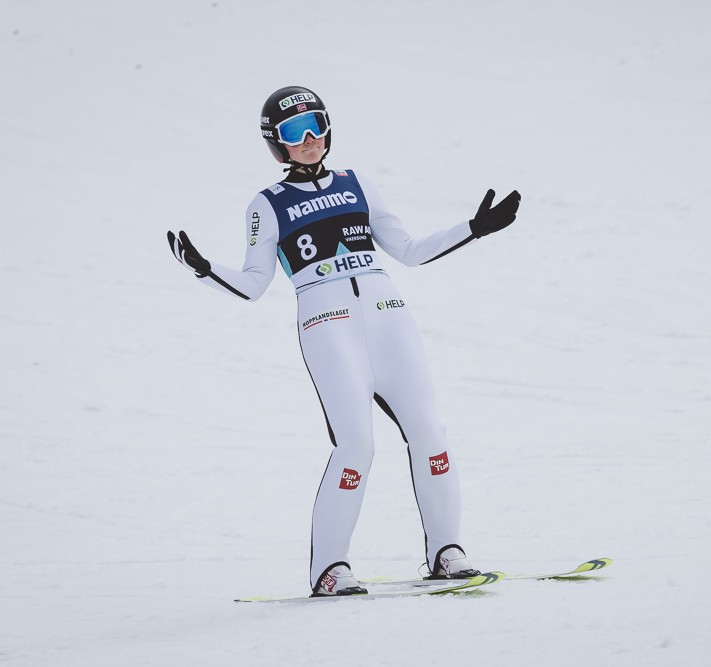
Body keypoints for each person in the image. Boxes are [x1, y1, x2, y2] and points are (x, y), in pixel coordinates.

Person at [167, 85, 520, 596]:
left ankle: (447, 552)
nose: (309, 138)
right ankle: (329, 569)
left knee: (430, 432)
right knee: (356, 446)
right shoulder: (267, 205)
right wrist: (203, 269)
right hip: (327, 326)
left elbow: (408, 250)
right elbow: (253, 283)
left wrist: (473, 228)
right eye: (294, 132)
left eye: (316, 124)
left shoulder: (358, 184)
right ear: (276, 143)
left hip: (389, 319)